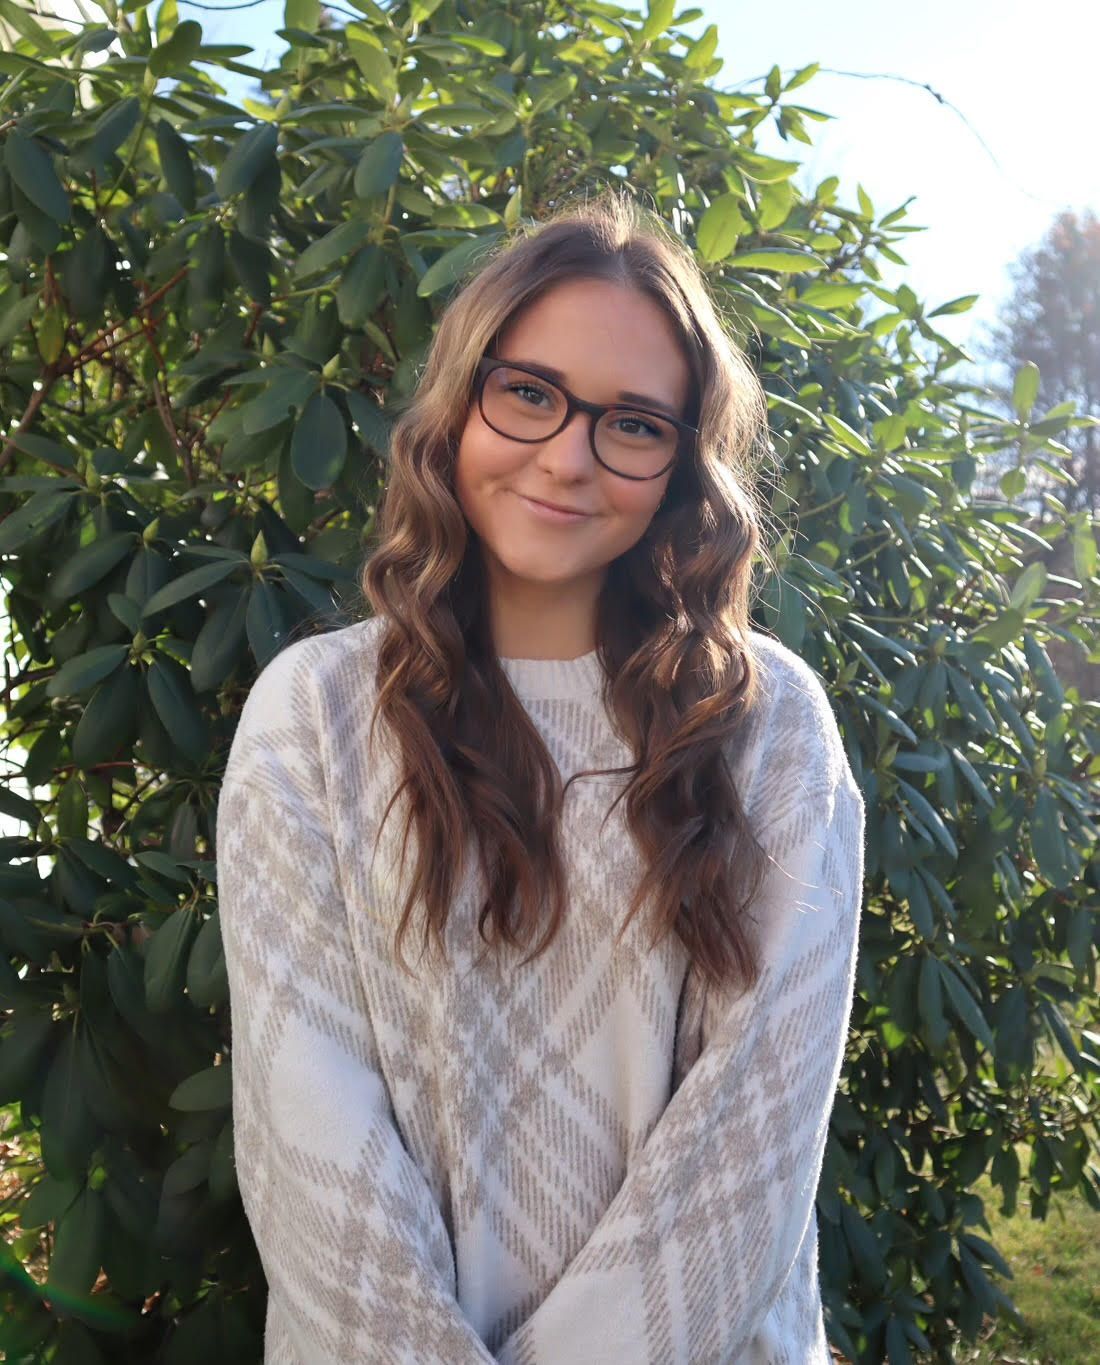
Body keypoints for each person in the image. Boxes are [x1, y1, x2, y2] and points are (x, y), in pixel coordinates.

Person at [216, 189, 866, 1364]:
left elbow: (750, 1142)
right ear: (461, 399)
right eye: (529, 393)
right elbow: (305, 1116)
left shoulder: (765, 728)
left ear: (680, 465)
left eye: (631, 423)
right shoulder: (311, 718)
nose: (566, 457)